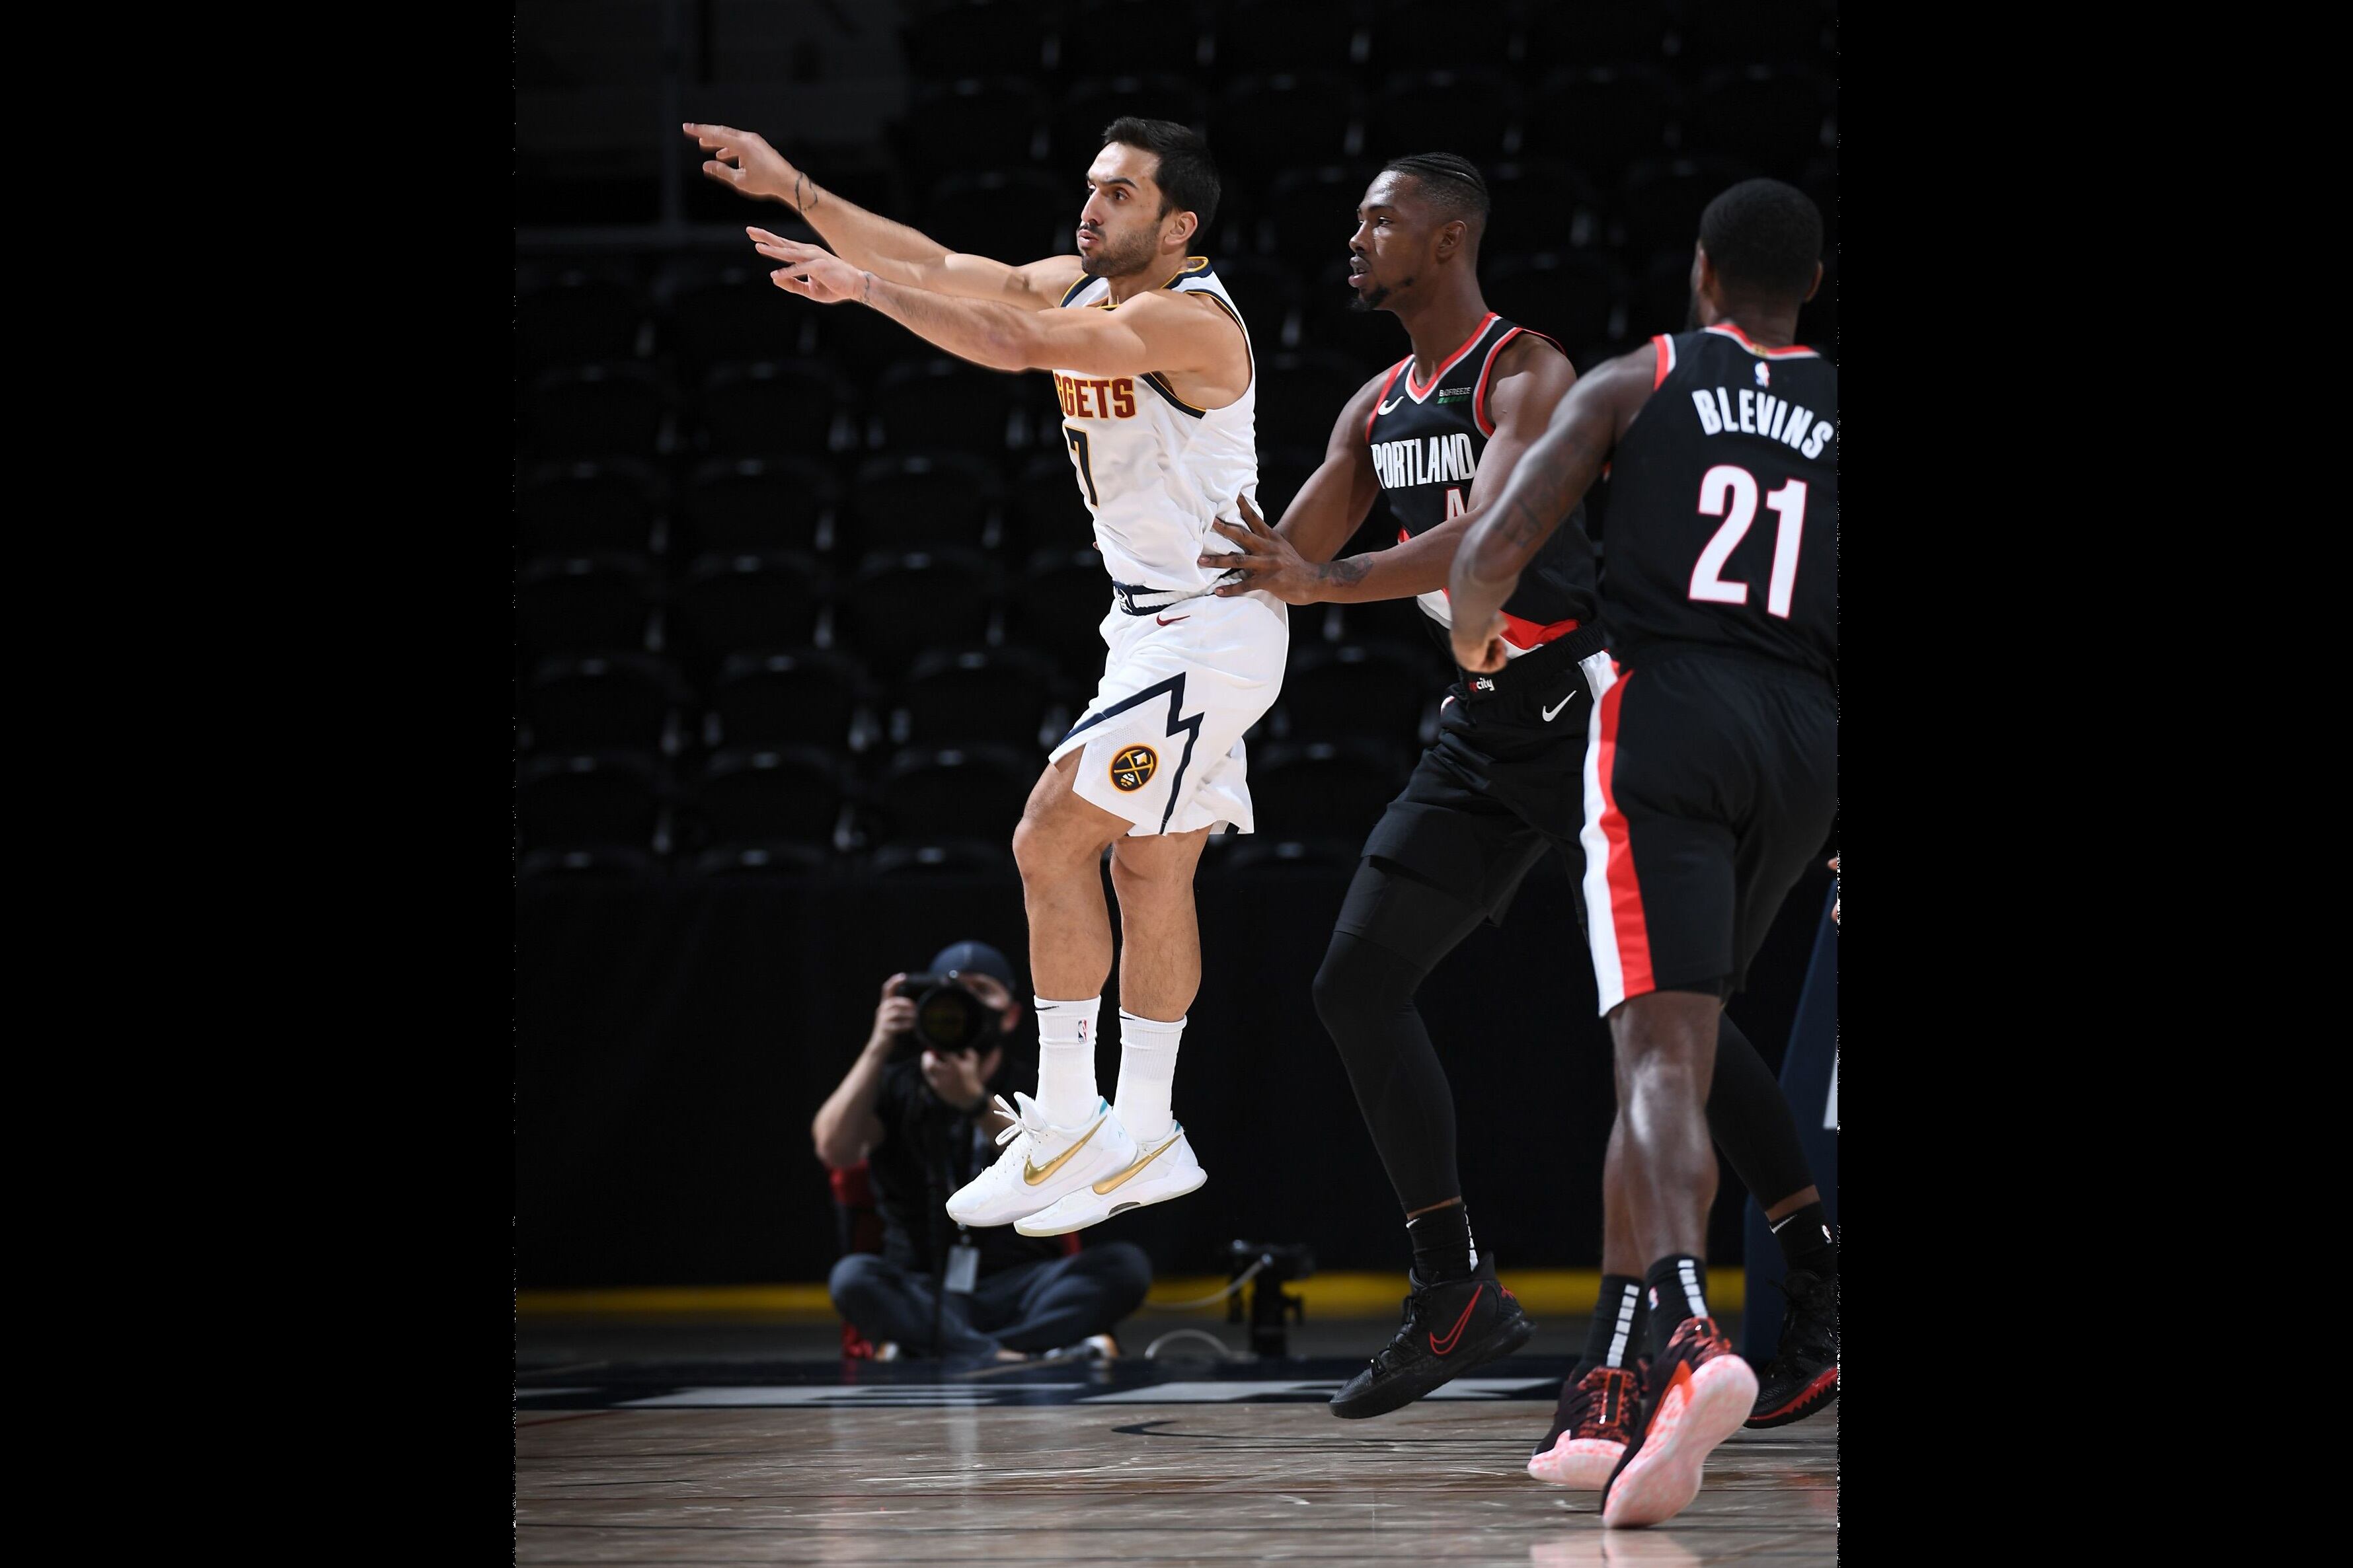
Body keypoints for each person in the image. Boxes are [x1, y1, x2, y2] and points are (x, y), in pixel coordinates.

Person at [1200, 156, 1838, 1453]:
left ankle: (1808, 1274)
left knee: (1682, 1027)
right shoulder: (1377, 402)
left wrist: (1326, 585)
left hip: (1591, 705)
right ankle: (1453, 1290)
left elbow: (1472, 538)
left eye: (1379, 219)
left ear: (1447, 240)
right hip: (1485, 731)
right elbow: (1279, 553)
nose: (1354, 237)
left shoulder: (1529, 371)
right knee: (1355, 979)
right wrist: (1188, 560)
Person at [687, 116, 1280, 1237]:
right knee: (1151, 877)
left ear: (1179, 223)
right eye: (1091, 184)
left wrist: (857, 289)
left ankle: (1063, 1116)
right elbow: (955, 271)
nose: (1092, 205)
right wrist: (799, 183)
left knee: (1050, 833)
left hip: (1209, 633)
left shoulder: (1189, 323)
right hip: (1155, 627)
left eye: (1119, 193)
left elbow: (1014, 344)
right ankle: (1147, 1127)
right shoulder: (1080, 284)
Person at [1446, 178, 1838, 1528]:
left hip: (1665, 714)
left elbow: (1493, 550)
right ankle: (1612, 1381)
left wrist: (1471, 636)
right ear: (1811, 285)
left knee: (1656, 1051)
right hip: (1802, 741)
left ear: (1700, 271)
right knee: (1673, 1039)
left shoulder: (1642, 374)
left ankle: (1681, 1334)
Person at [810, 940, 1152, 1364]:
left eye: (981, 991)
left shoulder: (1041, 1087)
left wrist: (975, 1103)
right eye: (951, 992)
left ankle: (956, 1349)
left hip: (1024, 1284)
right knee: (854, 1278)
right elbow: (835, 1149)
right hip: (925, 1286)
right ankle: (1019, 1352)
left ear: (1009, 1014)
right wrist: (879, 1044)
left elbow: (1063, 1162)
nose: (965, 1004)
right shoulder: (897, 1084)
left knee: (1125, 1266)